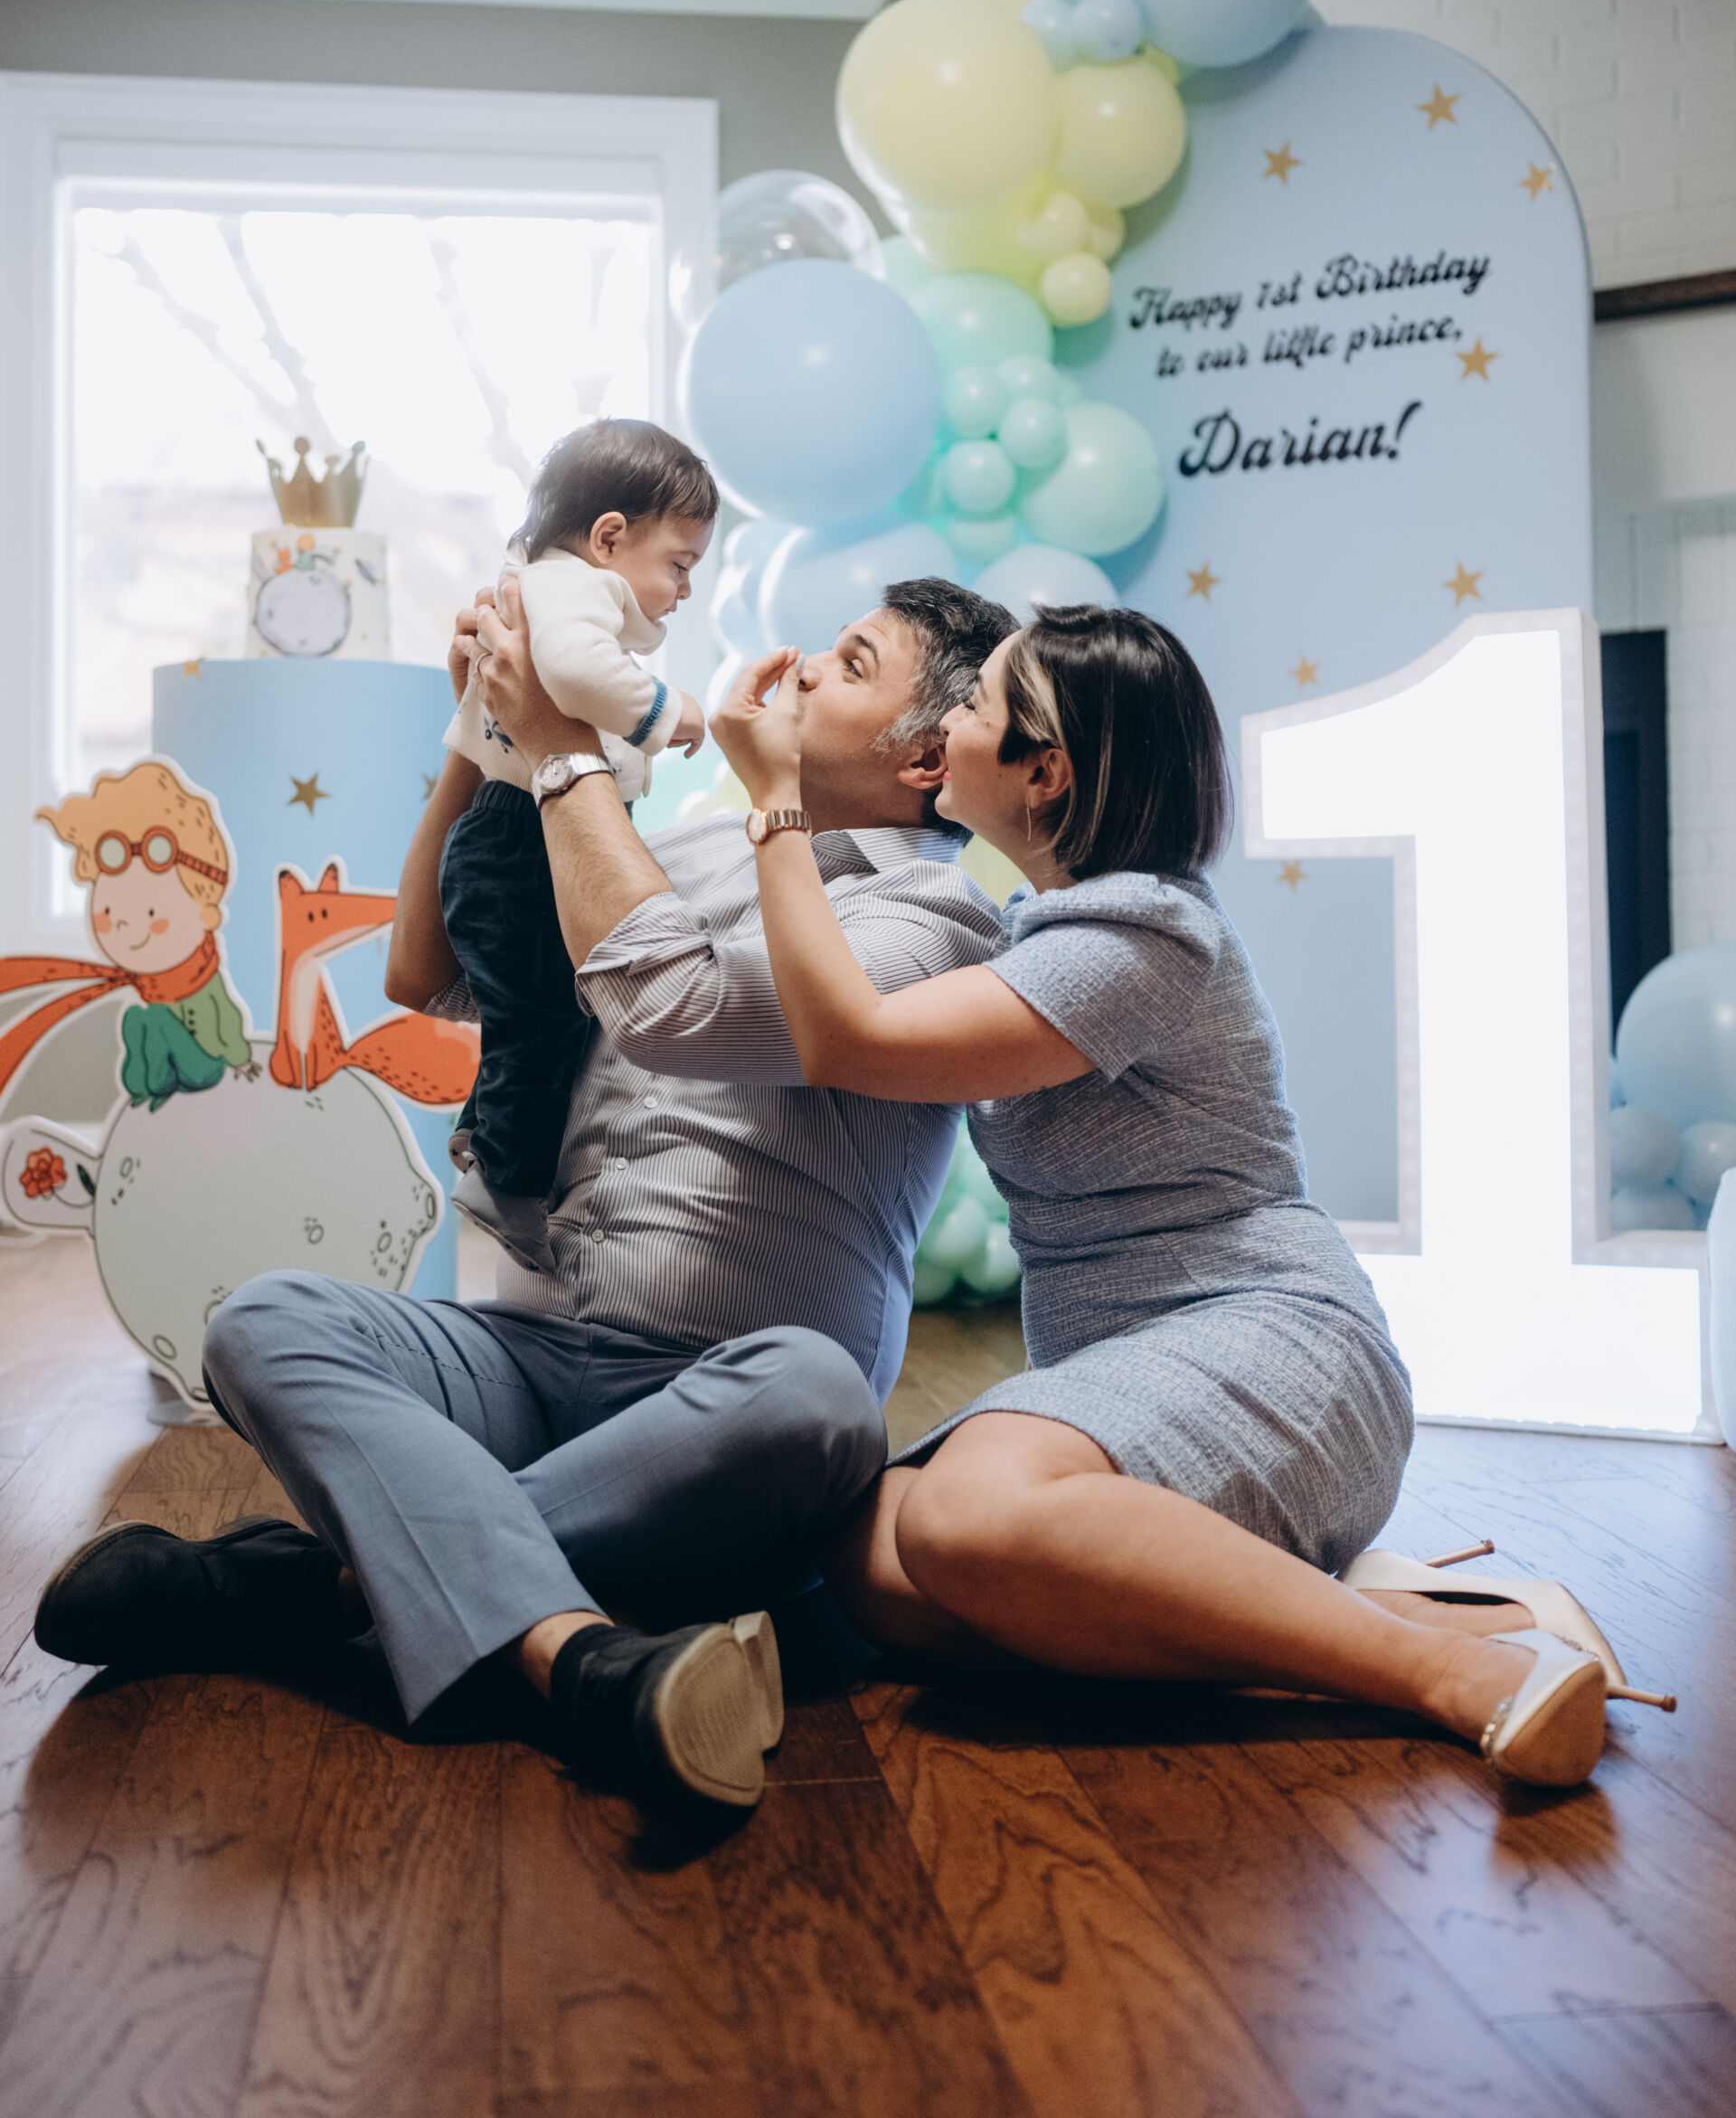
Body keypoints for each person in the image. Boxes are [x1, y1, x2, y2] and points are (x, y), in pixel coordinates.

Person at [33, 574, 1017, 1812]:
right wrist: (481, 737)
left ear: (923, 758)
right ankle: (565, 1643)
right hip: (533, 1357)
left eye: (853, 663)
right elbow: (426, 971)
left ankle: (321, 1587)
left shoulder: (939, 925)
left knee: (821, 1400)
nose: (805, 667)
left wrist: (563, 757)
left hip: (719, 1407)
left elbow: (677, 1009)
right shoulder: (678, 846)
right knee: (261, 1320)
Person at [710, 604, 1672, 1791]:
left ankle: (1455, 1670)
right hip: (1132, 1370)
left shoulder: (1144, 934)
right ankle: (1371, 1618)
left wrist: (777, 804)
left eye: (976, 706)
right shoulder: (1043, 929)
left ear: (1044, 773)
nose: (949, 721)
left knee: (962, 1518)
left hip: (1282, 1348)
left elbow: (844, 1041)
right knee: (874, 1565)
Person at [439, 418, 715, 1269]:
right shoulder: (571, 592)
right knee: (545, 1014)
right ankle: (507, 1182)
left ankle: (486, 1138)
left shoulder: (544, 587)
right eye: (680, 565)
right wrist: (671, 713)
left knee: (532, 1014)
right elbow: (575, 671)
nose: (685, 590)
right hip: (520, 835)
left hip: (507, 829)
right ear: (608, 537)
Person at [4, 761, 254, 1111]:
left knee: (156, 1017)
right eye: (109, 913)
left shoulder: (203, 978)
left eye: (151, 914)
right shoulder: (149, 986)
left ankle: (154, 1082)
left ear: (203, 908)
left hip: (206, 1066)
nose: (124, 926)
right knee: (136, 1018)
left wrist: (241, 1058)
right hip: (170, 1069)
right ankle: (142, 1085)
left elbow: (227, 1017)